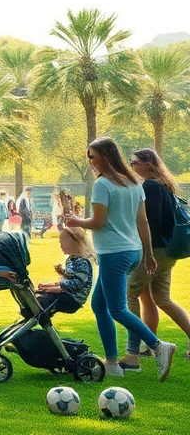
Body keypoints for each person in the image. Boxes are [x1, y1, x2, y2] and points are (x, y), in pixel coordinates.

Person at [64, 137, 176, 380]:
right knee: (99, 305)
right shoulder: (135, 182)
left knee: (116, 309)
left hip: (114, 253)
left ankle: (158, 346)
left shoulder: (103, 184)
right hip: (132, 252)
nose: (90, 161)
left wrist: (75, 221)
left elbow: (98, 222)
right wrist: (146, 254)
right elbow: (142, 222)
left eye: (92, 156)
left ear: (105, 156)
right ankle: (112, 363)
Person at [126, 149, 190, 355]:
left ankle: (134, 350)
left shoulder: (151, 186)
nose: (132, 166)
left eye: (134, 162)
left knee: (129, 294)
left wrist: (146, 254)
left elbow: (150, 223)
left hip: (155, 251)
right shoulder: (165, 185)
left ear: (148, 164)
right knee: (160, 299)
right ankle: (150, 346)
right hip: (168, 251)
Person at [36, 224, 94, 315]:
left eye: (62, 243)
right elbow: (70, 278)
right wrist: (61, 274)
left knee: (42, 302)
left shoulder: (82, 262)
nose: (60, 245)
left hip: (73, 298)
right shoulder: (71, 259)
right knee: (38, 296)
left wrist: (57, 288)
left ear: (74, 243)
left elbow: (78, 283)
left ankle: (36, 317)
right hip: (69, 294)